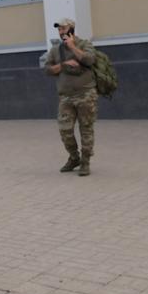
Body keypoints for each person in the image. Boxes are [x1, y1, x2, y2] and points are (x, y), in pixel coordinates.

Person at [44, 18, 99, 176]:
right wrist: (63, 65)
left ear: (72, 28)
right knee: (64, 129)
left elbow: (89, 59)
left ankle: (85, 162)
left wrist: (73, 47)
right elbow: (47, 70)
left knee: (86, 129)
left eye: (64, 28)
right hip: (66, 97)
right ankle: (74, 157)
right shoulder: (55, 50)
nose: (61, 32)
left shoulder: (84, 44)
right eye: (59, 29)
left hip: (86, 94)